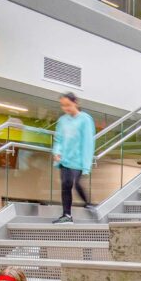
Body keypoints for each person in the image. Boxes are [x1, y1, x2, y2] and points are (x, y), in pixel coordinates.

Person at [50, 92, 96, 224]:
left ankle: (88, 203)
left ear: (75, 102)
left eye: (68, 105)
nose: (66, 108)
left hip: (79, 161)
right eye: (63, 106)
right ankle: (66, 215)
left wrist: (86, 166)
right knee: (66, 185)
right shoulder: (62, 120)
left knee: (75, 183)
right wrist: (57, 152)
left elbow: (88, 143)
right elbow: (58, 139)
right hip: (64, 160)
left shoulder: (85, 119)